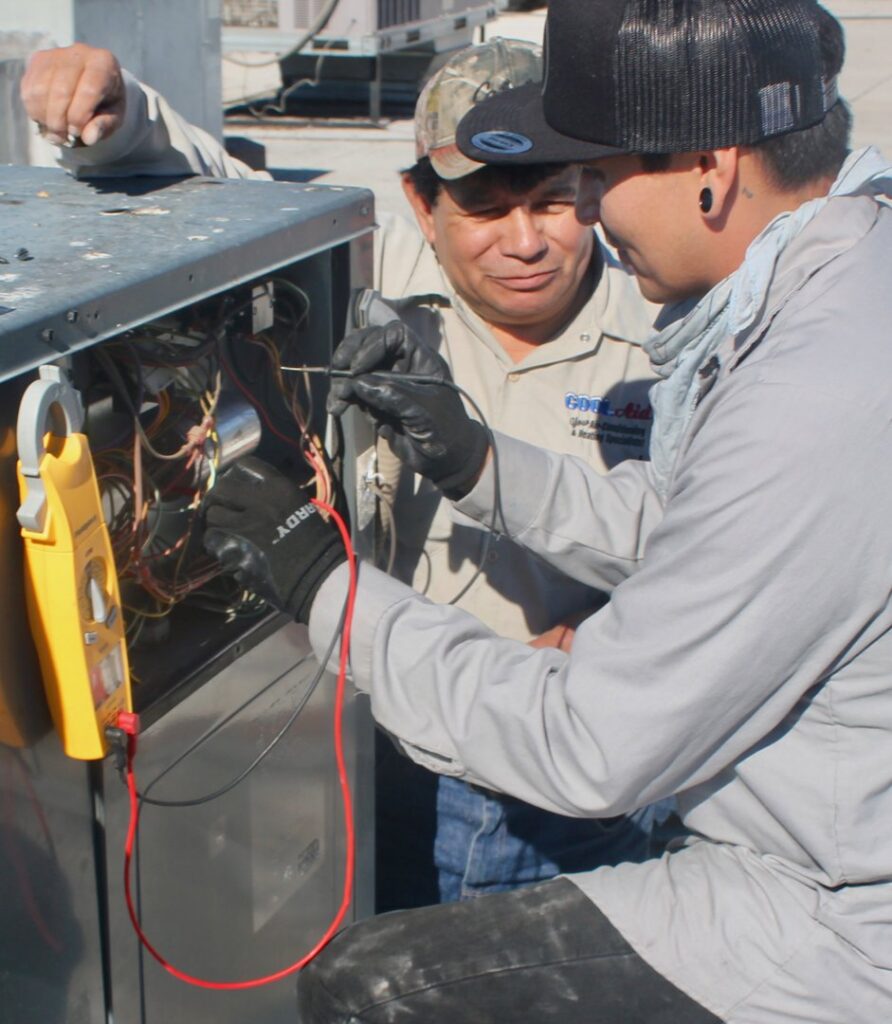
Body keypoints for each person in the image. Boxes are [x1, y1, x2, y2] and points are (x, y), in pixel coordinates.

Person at [200, 0, 892, 1020]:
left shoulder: (813, 381)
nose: (591, 219)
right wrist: (481, 463)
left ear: (710, 167)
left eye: (597, 177)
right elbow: (684, 523)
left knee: (370, 987)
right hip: (805, 839)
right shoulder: (834, 288)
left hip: (824, 909)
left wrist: (325, 593)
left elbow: (594, 745)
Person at [21, 40, 661, 906]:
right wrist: (117, 116)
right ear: (421, 204)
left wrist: (614, 632)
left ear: (594, 188)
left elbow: (730, 544)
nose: (525, 242)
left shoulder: (666, 341)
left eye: (552, 202)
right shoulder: (373, 273)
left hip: (568, 785)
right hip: (378, 748)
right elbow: (226, 196)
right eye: (485, 208)